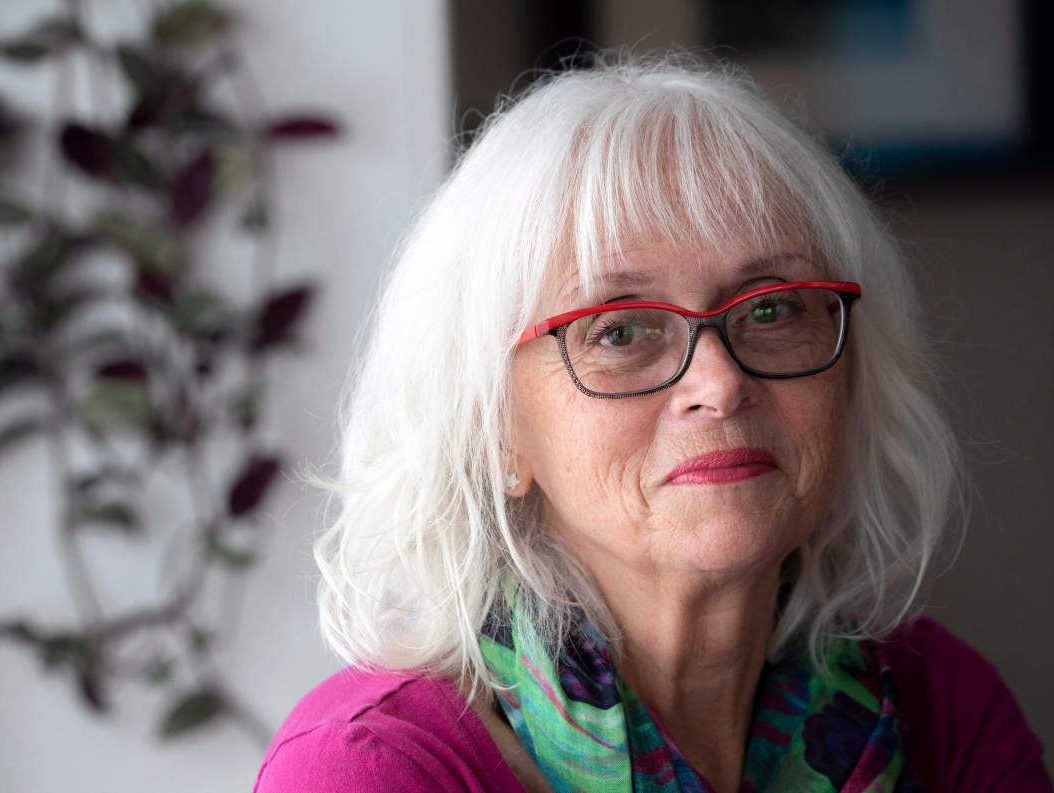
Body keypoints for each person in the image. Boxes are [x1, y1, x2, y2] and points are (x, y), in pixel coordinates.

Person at [253, 54, 1052, 792]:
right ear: (493, 426)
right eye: (619, 330)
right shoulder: (373, 769)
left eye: (771, 308)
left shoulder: (940, 708)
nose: (720, 382)